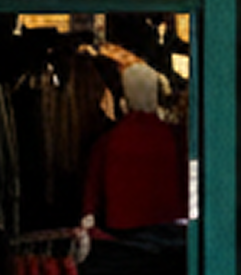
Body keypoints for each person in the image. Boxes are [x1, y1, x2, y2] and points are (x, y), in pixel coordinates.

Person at [81, 62, 189, 241]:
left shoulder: (107, 142)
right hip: (172, 232)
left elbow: (91, 201)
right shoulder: (176, 138)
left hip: (123, 236)